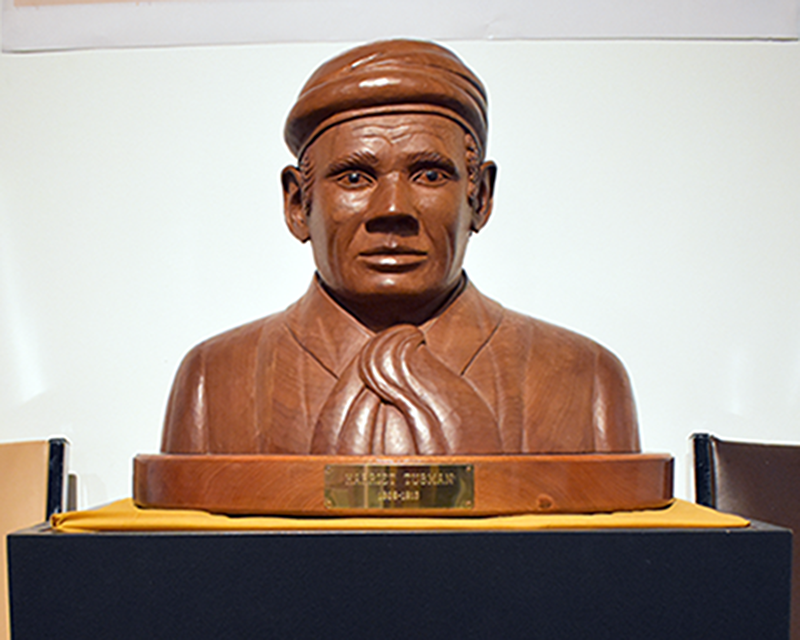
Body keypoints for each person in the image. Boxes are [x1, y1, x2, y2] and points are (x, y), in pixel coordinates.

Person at [161, 39, 640, 456]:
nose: (393, 208)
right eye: (354, 177)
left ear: (480, 197)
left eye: (430, 174)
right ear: (297, 205)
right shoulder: (213, 382)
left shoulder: (586, 382)